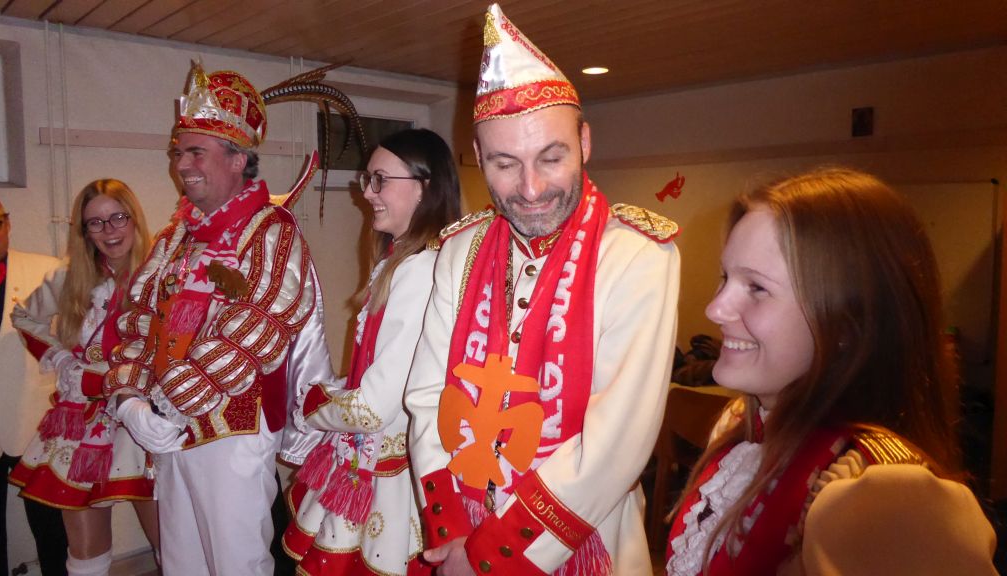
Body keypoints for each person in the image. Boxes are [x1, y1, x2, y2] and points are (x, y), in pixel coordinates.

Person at [404, 4, 681, 574]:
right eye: (505, 164)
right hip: (460, 528)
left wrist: (488, 557)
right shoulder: (460, 250)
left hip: (582, 542)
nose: (530, 189)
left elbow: (615, 443)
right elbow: (428, 397)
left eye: (551, 158)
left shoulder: (636, 256)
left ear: (584, 142)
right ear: (477, 156)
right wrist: (453, 533)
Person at [665, 167, 997, 575]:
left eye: (757, 287)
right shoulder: (741, 428)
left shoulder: (881, 496)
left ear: (846, 325)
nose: (715, 309)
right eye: (725, 278)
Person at [103, 62, 319, 575]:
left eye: (195, 152)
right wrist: (130, 399)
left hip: (231, 432)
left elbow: (258, 325)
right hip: (168, 427)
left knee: (235, 564)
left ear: (238, 159)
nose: (182, 164)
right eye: (178, 152)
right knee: (181, 562)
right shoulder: (175, 236)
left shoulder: (271, 230)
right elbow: (138, 319)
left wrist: (168, 404)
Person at [282, 127, 461, 574]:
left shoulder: (420, 269)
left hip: (392, 468)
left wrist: (311, 404)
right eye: (368, 179)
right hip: (381, 455)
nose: (366, 192)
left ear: (424, 187)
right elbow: (381, 374)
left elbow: (375, 407)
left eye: (380, 180)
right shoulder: (402, 260)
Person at [9, 179, 157, 576]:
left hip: (146, 420)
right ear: (85, 231)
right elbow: (24, 317)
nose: (109, 231)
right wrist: (61, 360)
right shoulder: (69, 276)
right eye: (96, 222)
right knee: (86, 552)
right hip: (83, 421)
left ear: (135, 218)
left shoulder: (163, 276)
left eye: (118, 217)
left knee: (172, 541)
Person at [0, 183, 69, 575]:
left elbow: (76, 338)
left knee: (52, 532)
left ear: (8, 225)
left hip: (36, 424)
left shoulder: (46, 270)